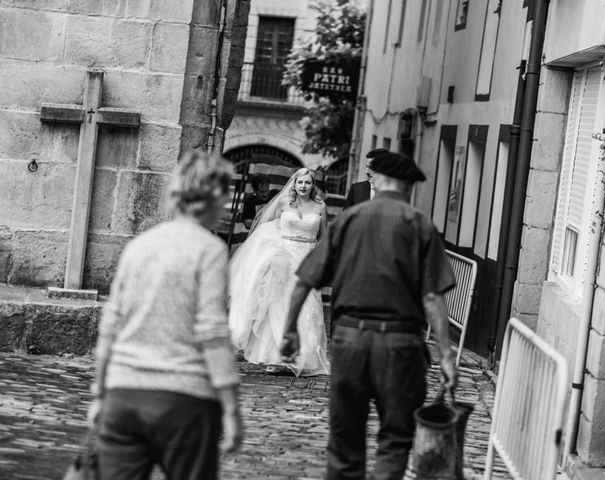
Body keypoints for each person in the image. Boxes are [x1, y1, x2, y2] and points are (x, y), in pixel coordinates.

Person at [281, 151, 459, 480]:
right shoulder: (419, 224)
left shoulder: (350, 220)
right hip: (400, 343)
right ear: (404, 184)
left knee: (345, 437)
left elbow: (305, 279)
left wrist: (290, 330)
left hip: (349, 340)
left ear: (381, 180)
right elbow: (432, 296)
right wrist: (446, 356)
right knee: (395, 437)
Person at [88, 150, 243, 480]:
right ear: (215, 197)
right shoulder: (209, 250)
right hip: (184, 400)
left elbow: (110, 325)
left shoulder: (139, 246)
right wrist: (230, 407)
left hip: (124, 396)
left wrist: (100, 394)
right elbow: (212, 330)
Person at [229, 167, 330, 377]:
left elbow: (323, 237)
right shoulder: (284, 203)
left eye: (308, 183)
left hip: (306, 258)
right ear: (294, 184)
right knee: (279, 304)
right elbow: (266, 227)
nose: (303, 186)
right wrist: (271, 251)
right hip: (283, 258)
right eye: (300, 182)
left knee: (306, 306)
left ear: (313, 185)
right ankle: (275, 356)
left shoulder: (320, 207)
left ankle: (302, 357)